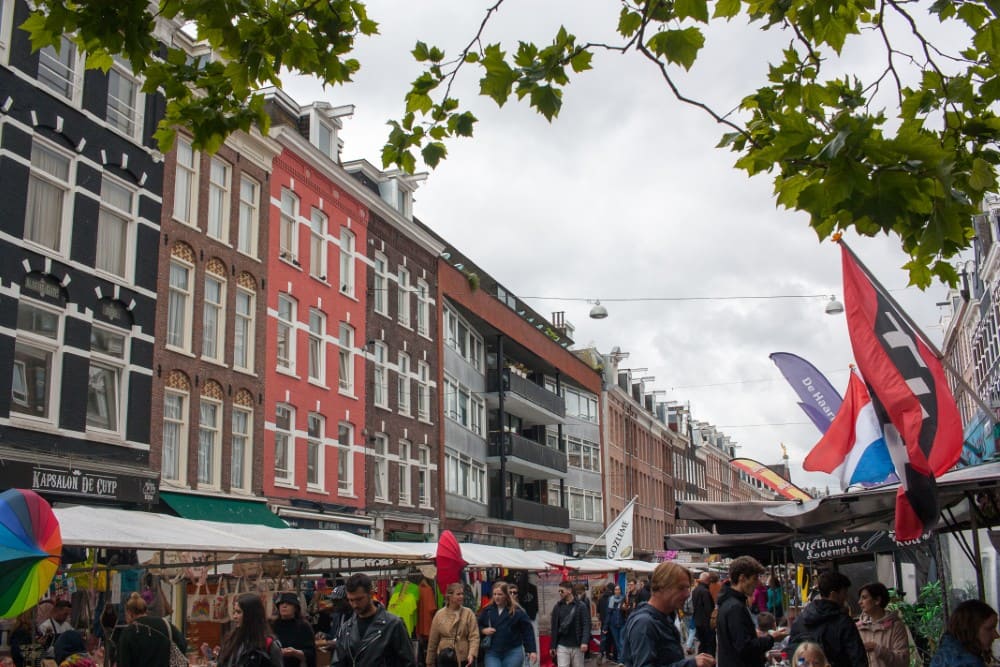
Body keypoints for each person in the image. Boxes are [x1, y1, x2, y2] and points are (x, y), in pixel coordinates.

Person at [620, 562, 714, 667]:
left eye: (688, 588)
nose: (687, 594)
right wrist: (691, 664)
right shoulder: (644, 623)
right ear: (662, 587)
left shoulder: (664, 618)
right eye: (681, 588)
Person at [716, 556, 787, 667]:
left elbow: (737, 641)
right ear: (742, 578)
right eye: (755, 578)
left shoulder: (729, 602)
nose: (758, 583)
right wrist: (771, 638)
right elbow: (745, 648)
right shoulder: (735, 607)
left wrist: (753, 634)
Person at [787, 571, 868, 667]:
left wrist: (804, 663)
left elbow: (794, 651)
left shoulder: (801, 619)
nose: (846, 597)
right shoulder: (843, 621)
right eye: (844, 593)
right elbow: (858, 658)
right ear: (833, 594)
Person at [333, 573, 415, 667]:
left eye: (359, 599)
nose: (355, 605)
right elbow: (337, 662)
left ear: (371, 594)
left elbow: (408, 663)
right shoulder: (346, 628)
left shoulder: (393, 625)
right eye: (351, 600)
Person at [116, 592, 188, 667]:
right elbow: (182, 644)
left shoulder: (128, 633)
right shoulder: (165, 624)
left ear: (129, 613)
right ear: (145, 610)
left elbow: (123, 662)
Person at [478, 582, 536, 667]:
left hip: (513, 651)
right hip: (493, 652)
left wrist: (532, 651)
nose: (496, 597)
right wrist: (483, 630)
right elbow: (477, 625)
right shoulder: (487, 610)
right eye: (494, 594)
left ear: (506, 595)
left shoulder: (517, 611)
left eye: (500, 594)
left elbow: (527, 631)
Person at [218, 593, 283, 667]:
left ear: (251, 615)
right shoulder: (230, 640)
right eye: (234, 612)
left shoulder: (269, 644)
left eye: (239, 612)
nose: (234, 616)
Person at [930, 599, 999, 667]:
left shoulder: (945, 654)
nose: (996, 635)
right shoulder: (967, 663)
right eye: (989, 629)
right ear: (970, 629)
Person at [855, 583, 909, 667]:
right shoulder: (859, 627)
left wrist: (877, 649)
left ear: (877, 600)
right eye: (860, 598)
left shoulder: (895, 626)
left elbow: (903, 661)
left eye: (864, 598)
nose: (859, 602)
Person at [427, 583, 479, 667]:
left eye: (462, 594)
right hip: (444, 657)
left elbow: (474, 636)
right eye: (458, 594)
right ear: (449, 596)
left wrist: (471, 654)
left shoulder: (468, 613)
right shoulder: (439, 614)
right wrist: (429, 662)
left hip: (463, 657)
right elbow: (433, 640)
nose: (461, 596)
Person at [550, 581, 590, 667]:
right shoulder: (557, 607)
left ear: (569, 590)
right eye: (559, 591)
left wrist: (584, 642)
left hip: (577, 646)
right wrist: (552, 646)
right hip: (562, 646)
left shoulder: (581, 606)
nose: (560, 593)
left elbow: (586, 624)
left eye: (562, 591)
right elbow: (554, 628)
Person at [272, 593, 316, 667]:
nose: (284, 606)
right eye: (281, 603)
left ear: (295, 608)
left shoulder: (304, 626)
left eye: (288, 604)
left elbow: (311, 653)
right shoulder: (273, 625)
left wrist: (295, 652)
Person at [692, 572, 719, 657]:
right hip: (706, 623)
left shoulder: (695, 590)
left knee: (702, 644)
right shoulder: (705, 591)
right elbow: (708, 609)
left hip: (697, 621)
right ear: (707, 580)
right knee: (710, 645)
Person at [606, 585, 625, 662]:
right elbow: (608, 613)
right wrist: (606, 625)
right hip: (613, 624)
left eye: (618, 589)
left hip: (622, 623)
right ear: (614, 591)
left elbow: (626, 610)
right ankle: (620, 659)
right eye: (615, 589)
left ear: (620, 590)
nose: (617, 591)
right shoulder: (610, 599)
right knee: (617, 643)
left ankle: (622, 660)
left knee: (621, 642)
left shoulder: (623, 598)